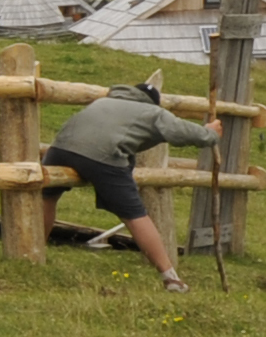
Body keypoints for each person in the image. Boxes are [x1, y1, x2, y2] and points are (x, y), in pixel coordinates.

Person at [47, 75, 217, 294]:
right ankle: (170, 278)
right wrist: (211, 133)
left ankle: (33, 254)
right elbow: (182, 132)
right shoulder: (152, 112)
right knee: (135, 215)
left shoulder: (102, 101)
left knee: (46, 197)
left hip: (59, 149)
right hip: (103, 156)